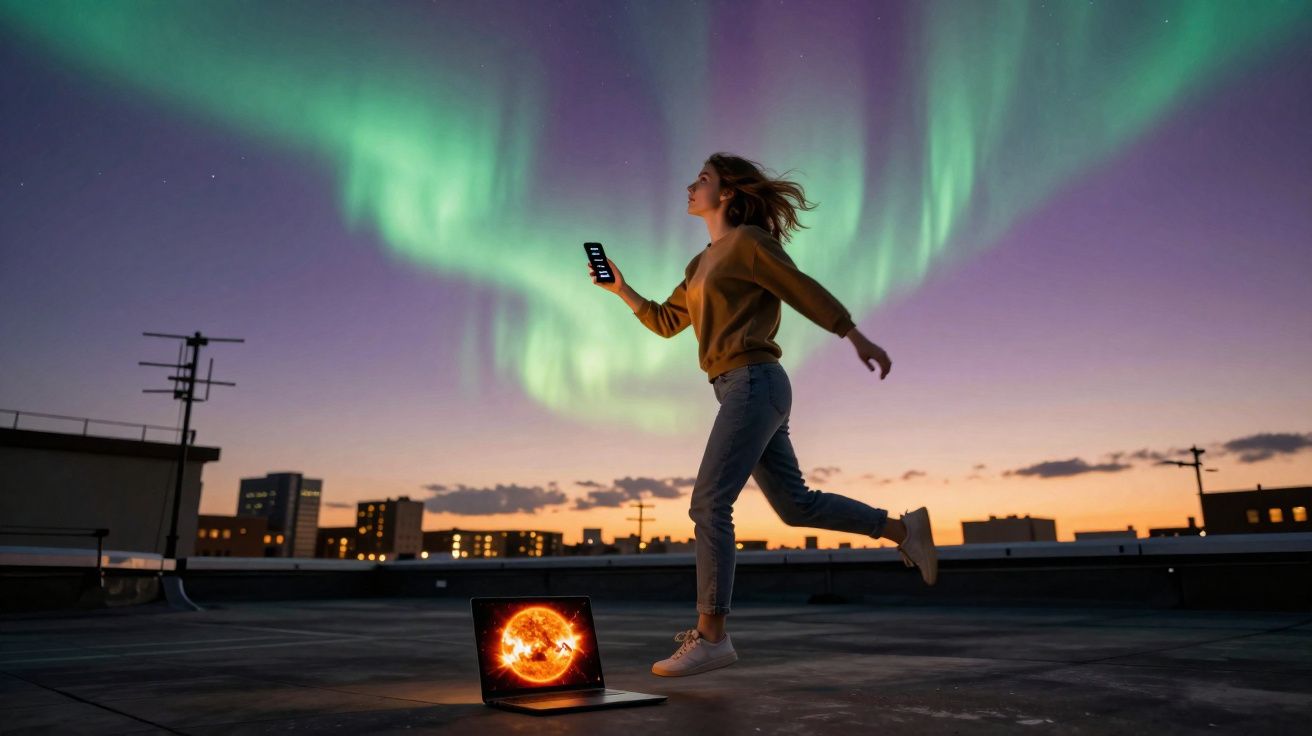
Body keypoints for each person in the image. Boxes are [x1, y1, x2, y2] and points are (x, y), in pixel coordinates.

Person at [588, 152, 937, 677]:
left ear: (726, 192)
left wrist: (852, 333)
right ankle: (902, 529)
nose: (690, 185)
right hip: (736, 388)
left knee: (709, 503)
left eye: (702, 179)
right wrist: (621, 288)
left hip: (754, 381)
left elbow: (800, 289)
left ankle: (712, 635)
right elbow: (664, 322)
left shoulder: (750, 243)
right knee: (795, 506)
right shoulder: (699, 264)